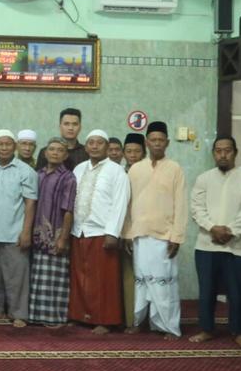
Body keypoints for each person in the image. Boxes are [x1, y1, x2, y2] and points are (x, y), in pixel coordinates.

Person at [190, 136, 241, 347]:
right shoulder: (203, 178)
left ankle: (239, 332)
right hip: (206, 243)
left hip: (238, 246)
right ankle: (206, 329)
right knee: (207, 290)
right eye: (218, 150)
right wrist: (212, 228)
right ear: (213, 153)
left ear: (235, 152)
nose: (223, 154)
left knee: (237, 291)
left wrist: (231, 231)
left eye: (227, 150)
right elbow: (196, 208)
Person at [123, 121, 186, 339]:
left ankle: (168, 326)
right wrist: (128, 233)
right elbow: (128, 204)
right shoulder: (135, 169)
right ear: (147, 142)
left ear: (167, 142)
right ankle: (140, 321)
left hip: (164, 236)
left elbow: (181, 204)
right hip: (139, 234)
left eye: (161, 140)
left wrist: (176, 236)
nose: (157, 144)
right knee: (141, 282)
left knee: (163, 284)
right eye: (153, 140)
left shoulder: (175, 168)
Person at [69, 130, 130, 334]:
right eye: (91, 143)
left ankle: (105, 320)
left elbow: (120, 203)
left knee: (104, 279)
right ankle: (80, 316)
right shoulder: (78, 169)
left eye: (99, 143)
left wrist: (113, 233)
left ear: (107, 147)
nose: (95, 146)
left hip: (102, 232)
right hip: (80, 231)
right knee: (80, 277)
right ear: (86, 147)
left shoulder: (116, 171)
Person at [0, 129, 37, 327]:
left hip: (14, 233)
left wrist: (26, 231)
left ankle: (18, 314)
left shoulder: (25, 171)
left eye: (8, 144)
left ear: (15, 147)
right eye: (0, 144)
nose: (4, 148)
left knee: (17, 277)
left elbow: (30, 203)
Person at [28, 138, 75, 328]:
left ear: (65, 155)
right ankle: (36, 316)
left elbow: (69, 210)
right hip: (38, 235)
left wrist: (63, 237)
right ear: (45, 153)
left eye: (60, 150)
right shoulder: (37, 175)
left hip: (56, 235)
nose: (55, 153)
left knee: (55, 278)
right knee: (38, 275)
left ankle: (54, 318)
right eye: (51, 149)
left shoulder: (68, 178)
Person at [118, 133, 147, 325]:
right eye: (128, 151)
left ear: (144, 153)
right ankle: (130, 320)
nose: (132, 155)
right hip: (122, 230)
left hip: (145, 231)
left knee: (146, 276)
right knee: (127, 276)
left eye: (137, 151)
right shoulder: (118, 173)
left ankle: (148, 318)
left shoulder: (148, 173)